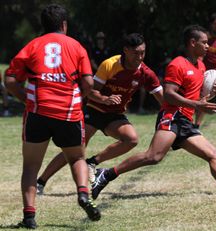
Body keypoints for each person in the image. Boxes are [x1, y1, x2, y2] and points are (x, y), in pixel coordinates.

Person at [91, 25, 216, 200]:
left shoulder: (200, 66)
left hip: (185, 120)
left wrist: (215, 93)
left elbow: (198, 97)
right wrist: (197, 105)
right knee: (153, 157)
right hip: (172, 116)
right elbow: (169, 94)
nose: (208, 46)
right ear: (192, 43)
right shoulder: (177, 64)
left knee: (213, 154)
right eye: (204, 43)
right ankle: (106, 174)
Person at [4, 4, 101, 228]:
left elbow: (10, 80)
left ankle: (29, 217)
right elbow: (87, 83)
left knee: (30, 166)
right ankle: (83, 195)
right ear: (64, 25)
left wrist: (26, 99)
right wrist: (82, 96)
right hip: (68, 113)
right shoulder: (76, 47)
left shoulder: (32, 45)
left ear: (43, 26)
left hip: (38, 113)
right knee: (77, 158)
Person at [36, 33, 163, 194]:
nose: (140, 56)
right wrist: (105, 99)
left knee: (131, 140)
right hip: (94, 111)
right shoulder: (110, 64)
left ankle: (93, 162)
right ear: (125, 50)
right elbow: (90, 91)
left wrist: (173, 110)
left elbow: (162, 98)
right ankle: (40, 182)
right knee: (75, 150)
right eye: (136, 52)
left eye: (143, 52)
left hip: (114, 115)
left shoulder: (146, 73)